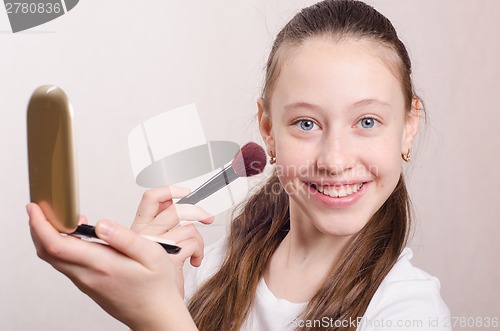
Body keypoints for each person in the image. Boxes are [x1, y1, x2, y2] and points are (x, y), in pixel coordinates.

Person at [27, 0, 451, 330]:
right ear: (268, 129)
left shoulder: (410, 310)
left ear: (408, 127)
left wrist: (157, 318)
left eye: (367, 122)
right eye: (306, 123)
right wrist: (169, 299)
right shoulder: (207, 271)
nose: (335, 159)